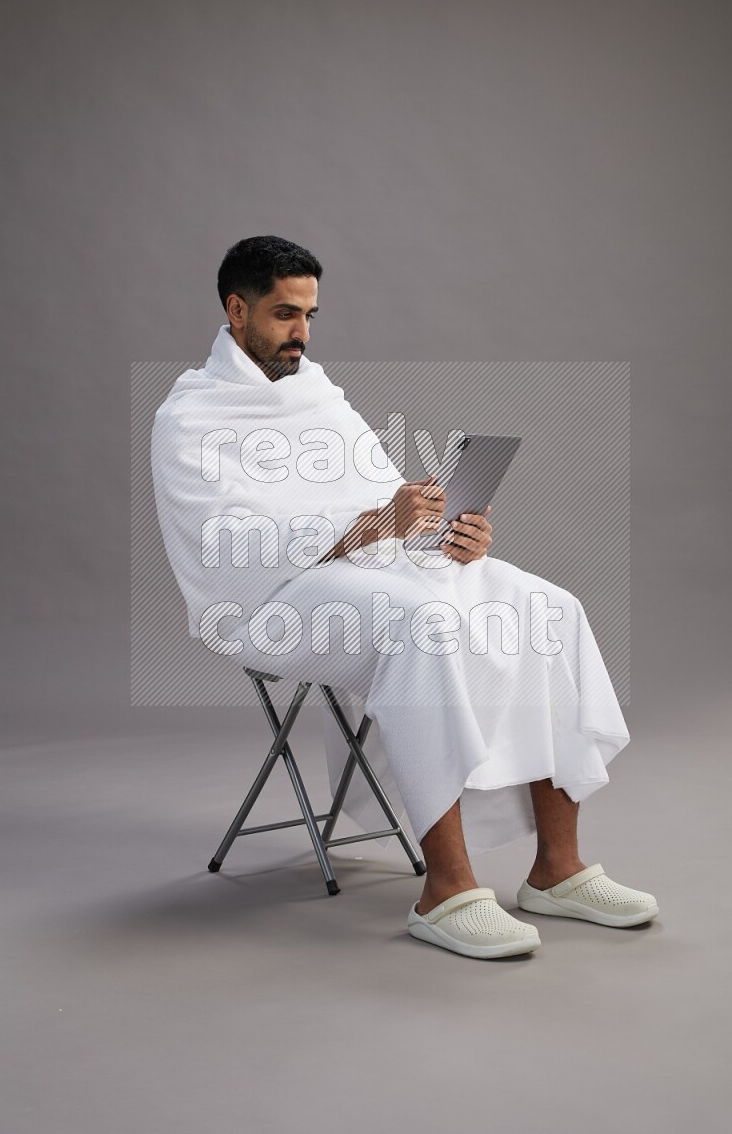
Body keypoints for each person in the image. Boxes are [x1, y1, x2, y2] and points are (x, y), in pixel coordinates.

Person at [150, 235, 658, 961]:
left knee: (548, 606)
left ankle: (557, 870)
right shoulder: (189, 420)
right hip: (270, 602)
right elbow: (228, 548)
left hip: (362, 567)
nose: (302, 333)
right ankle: (446, 890)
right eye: (285, 315)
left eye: (311, 315)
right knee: (420, 623)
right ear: (237, 310)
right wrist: (363, 529)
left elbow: (378, 503)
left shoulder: (317, 395)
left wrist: (442, 533)